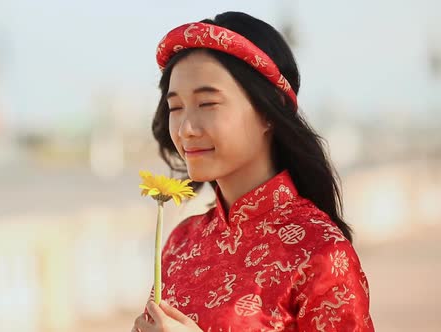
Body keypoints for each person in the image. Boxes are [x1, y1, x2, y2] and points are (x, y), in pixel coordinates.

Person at [131, 11, 375, 332]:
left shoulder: (321, 253)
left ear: (268, 111)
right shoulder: (181, 242)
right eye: (175, 107)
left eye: (207, 104)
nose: (186, 128)